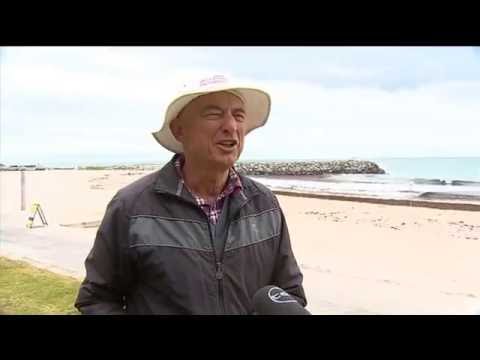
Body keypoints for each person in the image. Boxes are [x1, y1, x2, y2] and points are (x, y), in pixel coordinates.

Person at [75, 75, 307, 314]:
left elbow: (289, 293)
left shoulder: (264, 204)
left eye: (238, 116)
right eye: (214, 114)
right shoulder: (131, 207)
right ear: (179, 130)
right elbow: (97, 299)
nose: (231, 126)